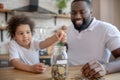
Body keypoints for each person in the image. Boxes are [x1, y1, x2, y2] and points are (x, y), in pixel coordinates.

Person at [66, 0, 120, 79]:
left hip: (93, 77)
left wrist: (105, 68)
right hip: (69, 76)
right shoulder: (69, 29)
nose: (77, 16)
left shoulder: (107, 29)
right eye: (73, 13)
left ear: (91, 12)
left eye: (82, 12)